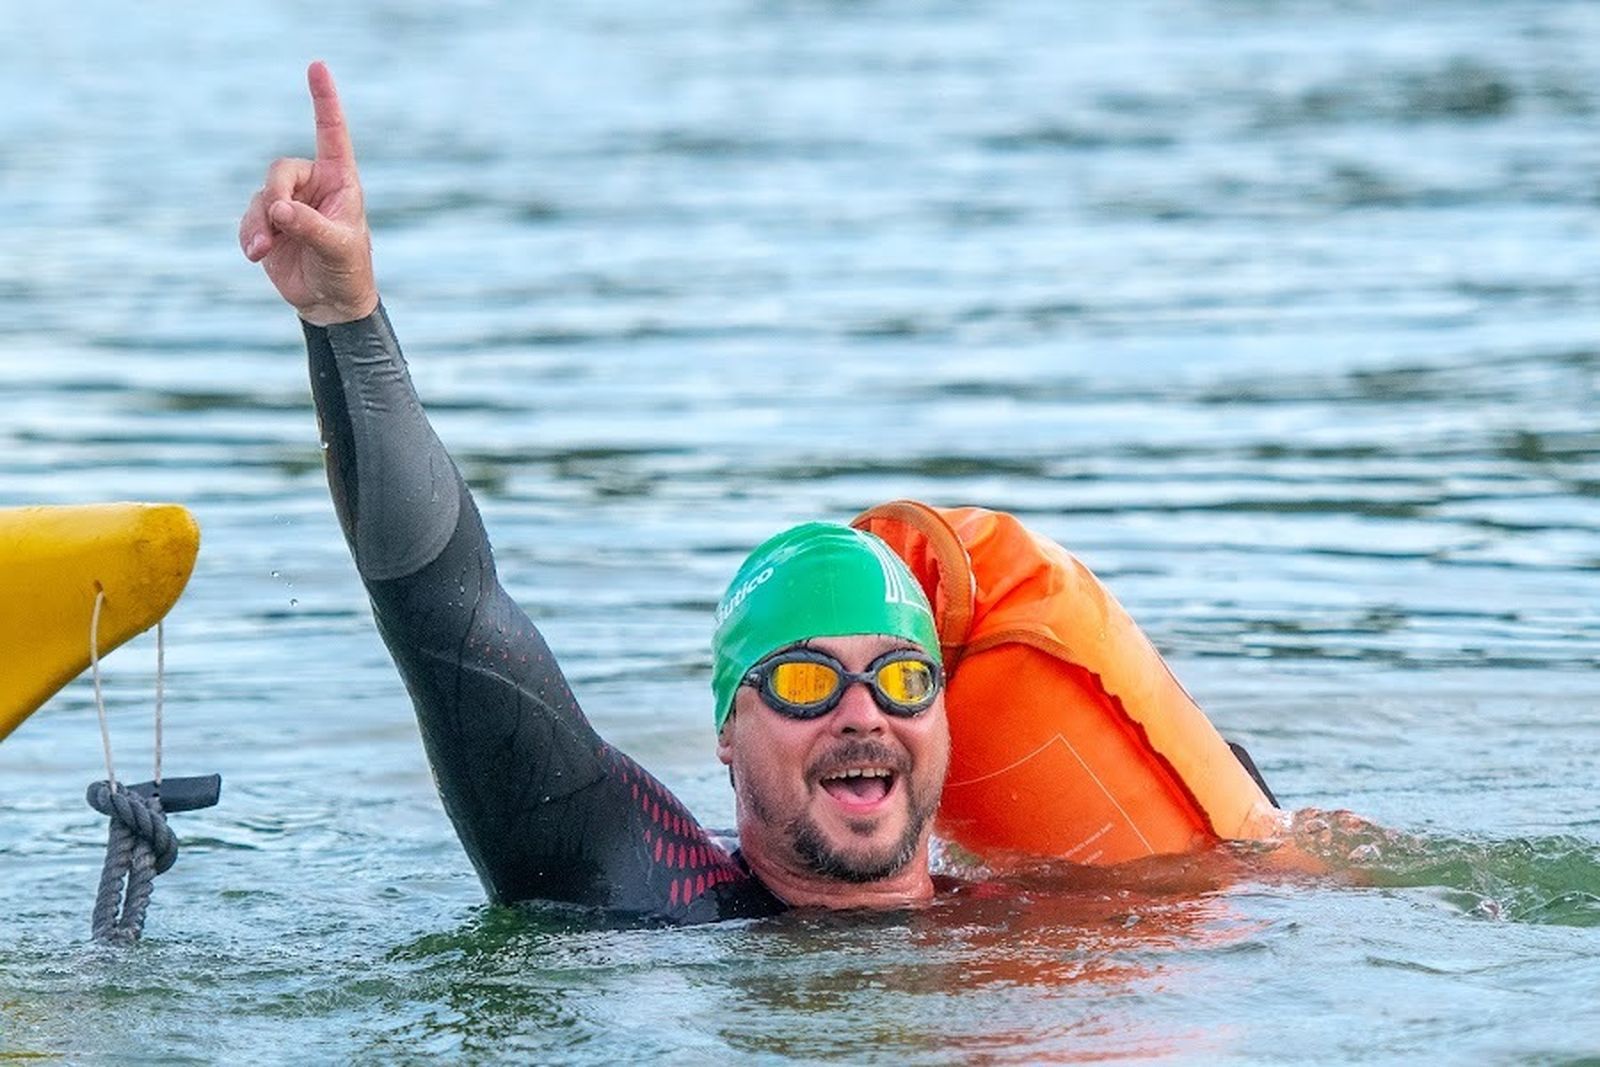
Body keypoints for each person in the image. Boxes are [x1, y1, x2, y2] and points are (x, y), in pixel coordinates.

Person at [240, 63, 954, 922]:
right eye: (805, 681)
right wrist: (346, 320)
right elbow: (447, 615)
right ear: (727, 730)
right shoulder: (640, 886)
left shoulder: (1056, 914)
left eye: (904, 678)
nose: (861, 713)